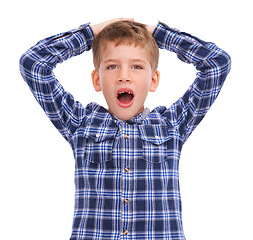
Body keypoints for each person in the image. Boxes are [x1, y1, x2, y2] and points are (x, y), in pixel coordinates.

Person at [19, 18, 231, 240]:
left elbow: (217, 63)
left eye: (137, 66)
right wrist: (91, 34)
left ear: (153, 80)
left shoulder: (172, 125)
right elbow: (34, 64)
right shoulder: (80, 123)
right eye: (112, 66)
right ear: (97, 79)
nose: (124, 75)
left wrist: (157, 34)